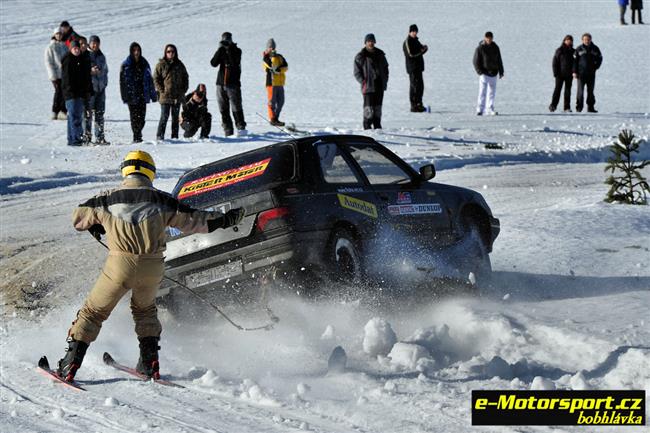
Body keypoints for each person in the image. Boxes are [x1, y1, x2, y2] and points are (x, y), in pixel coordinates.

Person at [55, 150, 246, 382]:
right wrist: (227, 218)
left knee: (93, 313)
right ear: (150, 172)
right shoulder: (163, 200)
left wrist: (97, 225)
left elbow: (78, 218)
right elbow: (197, 220)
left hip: (119, 265)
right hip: (152, 267)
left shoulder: (106, 199)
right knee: (145, 311)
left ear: (125, 170)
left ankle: (69, 365)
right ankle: (149, 364)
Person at [210, 32, 247, 136]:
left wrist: (228, 49)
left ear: (231, 40)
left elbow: (234, 62)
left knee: (236, 106)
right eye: (224, 39)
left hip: (233, 83)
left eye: (228, 39)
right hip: (220, 83)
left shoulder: (237, 51)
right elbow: (213, 63)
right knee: (223, 108)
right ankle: (227, 129)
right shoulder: (221, 50)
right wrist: (220, 50)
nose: (226, 41)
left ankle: (241, 128)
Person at [120, 42, 157, 143]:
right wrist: (125, 96)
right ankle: (137, 136)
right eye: (134, 50)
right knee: (134, 117)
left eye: (138, 50)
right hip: (132, 95)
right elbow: (122, 83)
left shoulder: (144, 63)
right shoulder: (126, 64)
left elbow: (150, 80)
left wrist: (153, 95)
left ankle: (138, 132)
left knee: (142, 117)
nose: (136, 52)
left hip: (143, 93)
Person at [353, 33, 389, 129]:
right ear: (365, 43)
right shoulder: (361, 56)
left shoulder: (380, 54)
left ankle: (377, 125)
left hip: (379, 85)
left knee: (378, 107)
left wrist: (385, 79)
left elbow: (386, 68)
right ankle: (367, 126)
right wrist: (363, 81)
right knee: (368, 108)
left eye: (372, 41)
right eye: (369, 41)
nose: (371, 43)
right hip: (368, 86)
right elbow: (357, 72)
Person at [153, 44, 189, 140]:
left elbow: (186, 77)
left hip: (177, 96)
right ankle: (160, 137)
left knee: (175, 118)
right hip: (165, 96)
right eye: (168, 51)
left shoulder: (180, 65)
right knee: (164, 117)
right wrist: (161, 90)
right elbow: (155, 78)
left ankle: (175, 137)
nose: (171, 53)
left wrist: (183, 90)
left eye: (172, 51)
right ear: (165, 53)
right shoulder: (161, 64)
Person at [61, 40, 92, 146]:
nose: (77, 50)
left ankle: (72, 139)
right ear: (71, 49)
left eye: (78, 48)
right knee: (75, 117)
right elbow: (67, 79)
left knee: (72, 117)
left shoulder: (79, 59)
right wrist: (71, 92)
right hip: (72, 94)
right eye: (74, 48)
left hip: (78, 94)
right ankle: (76, 140)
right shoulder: (68, 60)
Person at [84, 35, 109, 144]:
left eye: (97, 43)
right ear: (89, 43)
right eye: (93, 43)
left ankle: (100, 137)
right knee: (88, 115)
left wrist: (104, 83)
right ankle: (87, 138)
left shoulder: (101, 56)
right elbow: (81, 70)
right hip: (90, 90)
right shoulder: (85, 55)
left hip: (101, 90)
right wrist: (90, 71)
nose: (95, 45)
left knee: (100, 114)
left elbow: (105, 71)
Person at [473, 31, 504, 116]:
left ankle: (489, 108)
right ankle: (480, 109)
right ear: (485, 38)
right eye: (487, 38)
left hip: (494, 72)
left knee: (492, 92)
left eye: (490, 38)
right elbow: (475, 61)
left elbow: (499, 60)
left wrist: (501, 71)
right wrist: (480, 72)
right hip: (484, 73)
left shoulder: (495, 47)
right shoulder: (480, 48)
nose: (489, 40)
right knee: (482, 92)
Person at [573, 33, 602, 113]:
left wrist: (596, 67)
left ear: (591, 39)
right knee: (580, 92)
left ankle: (590, 107)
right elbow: (575, 61)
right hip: (581, 74)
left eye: (588, 39)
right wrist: (574, 72)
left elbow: (600, 58)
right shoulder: (579, 49)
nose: (587, 41)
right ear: (582, 40)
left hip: (591, 74)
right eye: (585, 39)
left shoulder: (595, 48)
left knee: (590, 91)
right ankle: (579, 108)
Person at [44, 26, 69, 120]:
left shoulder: (65, 46)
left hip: (64, 75)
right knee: (58, 92)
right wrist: (52, 75)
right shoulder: (50, 47)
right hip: (56, 74)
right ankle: (55, 111)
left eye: (60, 34)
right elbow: (48, 62)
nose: (59, 35)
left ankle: (62, 111)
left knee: (64, 92)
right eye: (57, 34)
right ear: (54, 35)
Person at [262, 38, 288, 126]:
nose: (272, 49)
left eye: (273, 47)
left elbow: (285, 67)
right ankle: (272, 118)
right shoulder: (266, 57)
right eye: (270, 47)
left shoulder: (279, 56)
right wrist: (272, 57)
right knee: (272, 102)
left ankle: (276, 117)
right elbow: (270, 67)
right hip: (271, 83)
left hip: (280, 83)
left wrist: (280, 70)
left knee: (281, 101)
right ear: (267, 48)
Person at [402, 24, 428, 112]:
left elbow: (421, 49)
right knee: (414, 86)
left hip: (419, 67)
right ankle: (413, 105)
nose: (414, 33)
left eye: (415, 32)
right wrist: (421, 52)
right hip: (412, 68)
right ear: (409, 32)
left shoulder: (416, 41)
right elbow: (410, 54)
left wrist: (424, 48)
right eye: (413, 31)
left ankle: (419, 103)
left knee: (420, 86)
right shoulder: (407, 42)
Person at [549, 35, 575, 113]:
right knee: (557, 90)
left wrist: (574, 72)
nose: (568, 41)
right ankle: (553, 106)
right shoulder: (559, 50)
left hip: (569, 75)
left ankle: (566, 107)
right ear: (564, 41)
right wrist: (555, 73)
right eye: (567, 40)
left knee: (568, 92)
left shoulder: (573, 51)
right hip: (560, 74)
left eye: (570, 40)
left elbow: (575, 63)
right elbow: (555, 62)